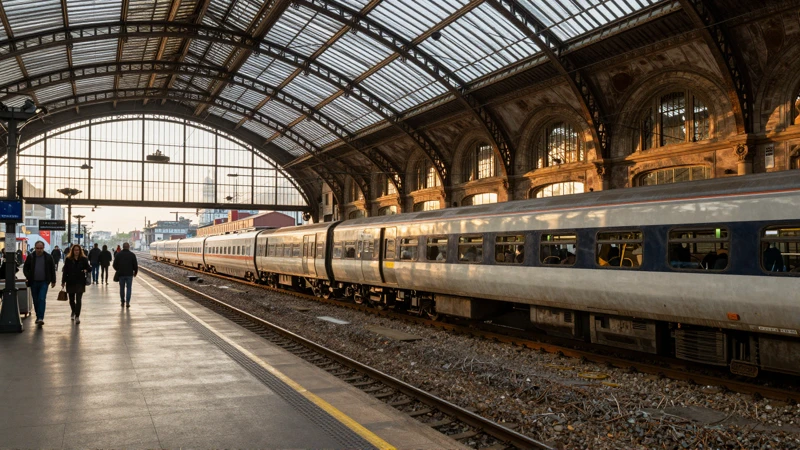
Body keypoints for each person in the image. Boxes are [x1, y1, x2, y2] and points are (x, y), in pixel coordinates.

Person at [22, 242, 57, 326]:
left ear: (43, 248)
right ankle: (38, 316)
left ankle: (41, 317)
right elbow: (25, 268)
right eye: (37, 248)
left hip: (44, 282)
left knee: (41, 298)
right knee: (36, 300)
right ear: (35, 248)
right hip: (33, 282)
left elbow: (52, 269)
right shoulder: (31, 257)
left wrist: (53, 280)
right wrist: (28, 276)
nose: (39, 250)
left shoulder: (48, 257)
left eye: (41, 248)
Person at [62, 245, 90, 324]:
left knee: (78, 299)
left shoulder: (84, 259)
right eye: (75, 250)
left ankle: (77, 316)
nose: (76, 251)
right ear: (72, 251)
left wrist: (85, 270)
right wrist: (63, 281)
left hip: (80, 282)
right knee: (71, 300)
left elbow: (89, 268)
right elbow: (65, 271)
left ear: (80, 251)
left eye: (78, 250)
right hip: (70, 281)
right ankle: (73, 311)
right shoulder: (68, 259)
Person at [113, 243, 138, 308]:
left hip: (121, 274)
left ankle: (122, 301)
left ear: (123, 247)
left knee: (122, 288)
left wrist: (118, 270)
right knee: (129, 288)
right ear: (128, 247)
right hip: (129, 274)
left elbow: (114, 265)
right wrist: (135, 272)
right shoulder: (132, 255)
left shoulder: (118, 255)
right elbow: (135, 265)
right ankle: (127, 302)